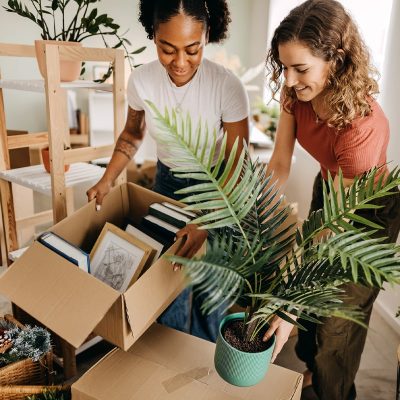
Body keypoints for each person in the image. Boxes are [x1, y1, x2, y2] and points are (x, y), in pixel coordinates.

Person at [86, 0, 249, 343]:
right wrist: (107, 178)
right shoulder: (142, 81)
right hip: (167, 185)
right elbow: (132, 133)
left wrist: (207, 220)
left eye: (193, 49)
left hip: (220, 191)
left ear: (208, 36)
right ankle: (168, 369)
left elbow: (238, 164)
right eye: (166, 48)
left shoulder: (226, 85)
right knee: (167, 288)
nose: (179, 62)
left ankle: (204, 371)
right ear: (153, 36)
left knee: (210, 295)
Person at [261, 1, 400, 399]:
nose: (288, 80)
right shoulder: (295, 95)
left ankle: (335, 391)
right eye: (284, 67)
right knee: (312, 309)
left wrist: (287, 303)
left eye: (300, 69)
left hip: (369, 211)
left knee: (338, 318)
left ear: (336, 61)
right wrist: (253, 212)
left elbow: (331, 229)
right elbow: (279, 165)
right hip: (332, 189)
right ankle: (312, 374)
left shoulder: (363, 128)